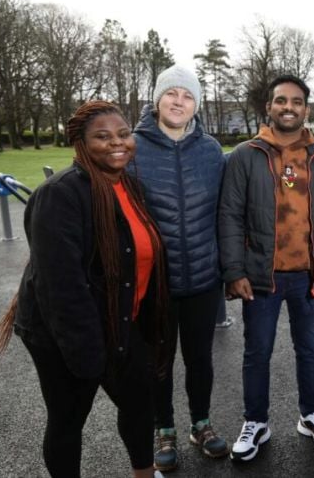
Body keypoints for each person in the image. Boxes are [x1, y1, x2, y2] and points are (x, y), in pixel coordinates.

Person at [0, 101, 168, 478]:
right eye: (102, 137)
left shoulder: (132, 187)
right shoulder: (61, 194)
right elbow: (61, 287)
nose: (116, 143)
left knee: (139, 402)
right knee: (69, 418)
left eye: (122, 134)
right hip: (60, 331)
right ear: (81, 144)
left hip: (118, 320)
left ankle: (145, 473)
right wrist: (88, 358)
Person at [219, 75, 314, 460]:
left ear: (306, 110)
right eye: (280, 101)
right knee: (257, 351)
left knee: (309, 349)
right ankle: (256, 421)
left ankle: (311, 415)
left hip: (310, 276)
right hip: (262, 276)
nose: (288, 107)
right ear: (269, 107)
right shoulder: (245, 154)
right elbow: (229, 217)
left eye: (296, 102)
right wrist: (234, 271)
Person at [131, 64, 228, 470]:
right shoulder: (133, 147)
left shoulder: (211, 151)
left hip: (204, 279)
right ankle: (164, 428)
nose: (178, 101)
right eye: (171, 93)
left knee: (200, 359)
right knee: (158, 361)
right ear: (157, 99)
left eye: (187, 96)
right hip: (155, 282)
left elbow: (227, 213)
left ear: (196, 105)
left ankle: (200, 423)